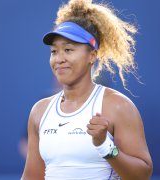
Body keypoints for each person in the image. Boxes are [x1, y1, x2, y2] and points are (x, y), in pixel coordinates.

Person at [21, 0, 153, 179]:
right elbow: (32, 177)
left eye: (68, 49)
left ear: (92, 55)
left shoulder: (118, 106)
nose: (59, 58)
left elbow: (142, 175)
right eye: (54, 51)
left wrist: (105, 146)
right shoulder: (39, 111)